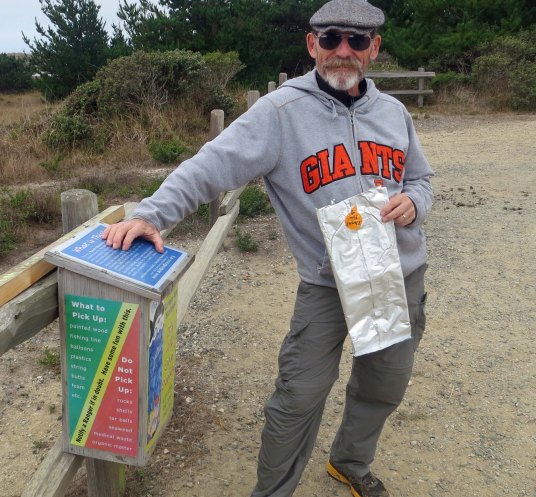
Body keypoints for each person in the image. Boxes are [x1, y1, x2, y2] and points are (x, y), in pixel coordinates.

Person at [102, 1, 433, 495]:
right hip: (327, 285)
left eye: (357, 41)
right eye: (331, 39)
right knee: (298, 397)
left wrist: (414, 201)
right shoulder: (280, 113)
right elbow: (210, 165)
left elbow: (422, 178)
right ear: (311, 45)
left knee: (383, 385)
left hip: (397, 278)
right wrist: (151, 213)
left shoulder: (393, 112)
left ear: (374, 49)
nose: (343, 51)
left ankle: (350, 462)